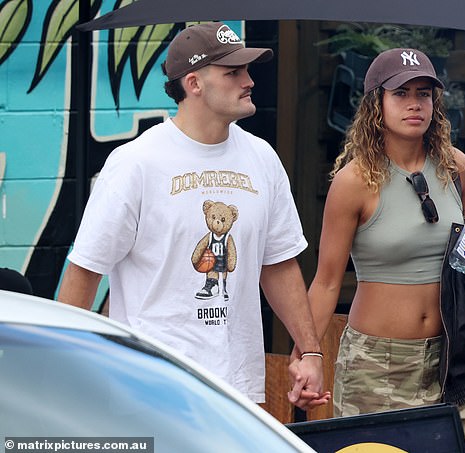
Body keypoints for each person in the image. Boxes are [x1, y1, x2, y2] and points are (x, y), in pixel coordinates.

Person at [58, 21, 330, 410]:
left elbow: (279, 265)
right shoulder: (137, 163)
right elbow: (85, 270)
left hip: (239, 390)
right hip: (151, 387)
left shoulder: (262, 158)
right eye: (233, 72)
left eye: (247, 70)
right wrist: (65, 369)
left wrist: (311, 352)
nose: (249, 80)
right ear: (194, 84)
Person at [296, 48, 465, 451]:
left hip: (450, 359)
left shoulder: (456, 166)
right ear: (377, 104)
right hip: (375, 364)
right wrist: (307, 355)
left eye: (423, 93)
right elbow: (325, 283)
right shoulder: (353, 182)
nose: (414, 104)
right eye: (401, 93)